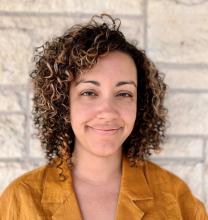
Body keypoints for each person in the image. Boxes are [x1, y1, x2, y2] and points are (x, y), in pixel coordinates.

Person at [0, 14, 207, 220]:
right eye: (89, 93)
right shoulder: (21, 200)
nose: (107, 111)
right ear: (63, 102)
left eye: (124, 93)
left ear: (140, 104)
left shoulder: (178, 200)